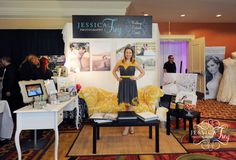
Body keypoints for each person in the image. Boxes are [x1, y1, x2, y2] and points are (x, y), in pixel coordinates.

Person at [112, 47, 145, 136]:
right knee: (126, 105)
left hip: (131, 84)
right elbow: (114, 71)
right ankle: (131, 125)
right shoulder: (120, 62)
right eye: (127, 52)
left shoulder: (134, 62)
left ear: (132, 53)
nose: (128, 54)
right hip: (123, 84)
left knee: (131, 104)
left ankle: (127, 127)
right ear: (124, 53)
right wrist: (117, 78)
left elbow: (142, 72)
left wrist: (136, 77)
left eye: (130, 52)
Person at [0, 57, 20, 122]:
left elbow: (11, 80)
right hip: (10, 91)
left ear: (3, 60)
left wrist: (8, 90)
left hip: (10, 92)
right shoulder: (9, 68)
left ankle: (11, 123)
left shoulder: (10, 69)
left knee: (10, 107)